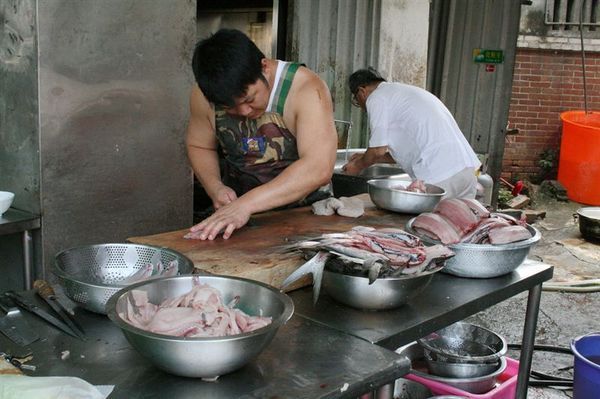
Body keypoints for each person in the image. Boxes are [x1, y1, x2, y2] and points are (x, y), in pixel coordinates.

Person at [185, 29, 337, 240]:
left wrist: (245, 205)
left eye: (249, 100)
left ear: (264, 67)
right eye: (230, 108)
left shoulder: (306, 88)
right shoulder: (205, 95)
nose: (244, 112)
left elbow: (318, 167)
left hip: (307, 216)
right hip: (238, 222)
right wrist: (215, 187)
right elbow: (200, 145)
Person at [343, 67, 481, 199]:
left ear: (361, 91)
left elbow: (378, 150)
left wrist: (357, 166)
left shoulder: (376, 98)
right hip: (468, 171)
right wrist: (369, 158)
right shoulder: (402, 93)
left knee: (426, 223)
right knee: (461, 222)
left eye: (356, 100)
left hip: (439, 176)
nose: (360, 106)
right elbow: (402, 152)